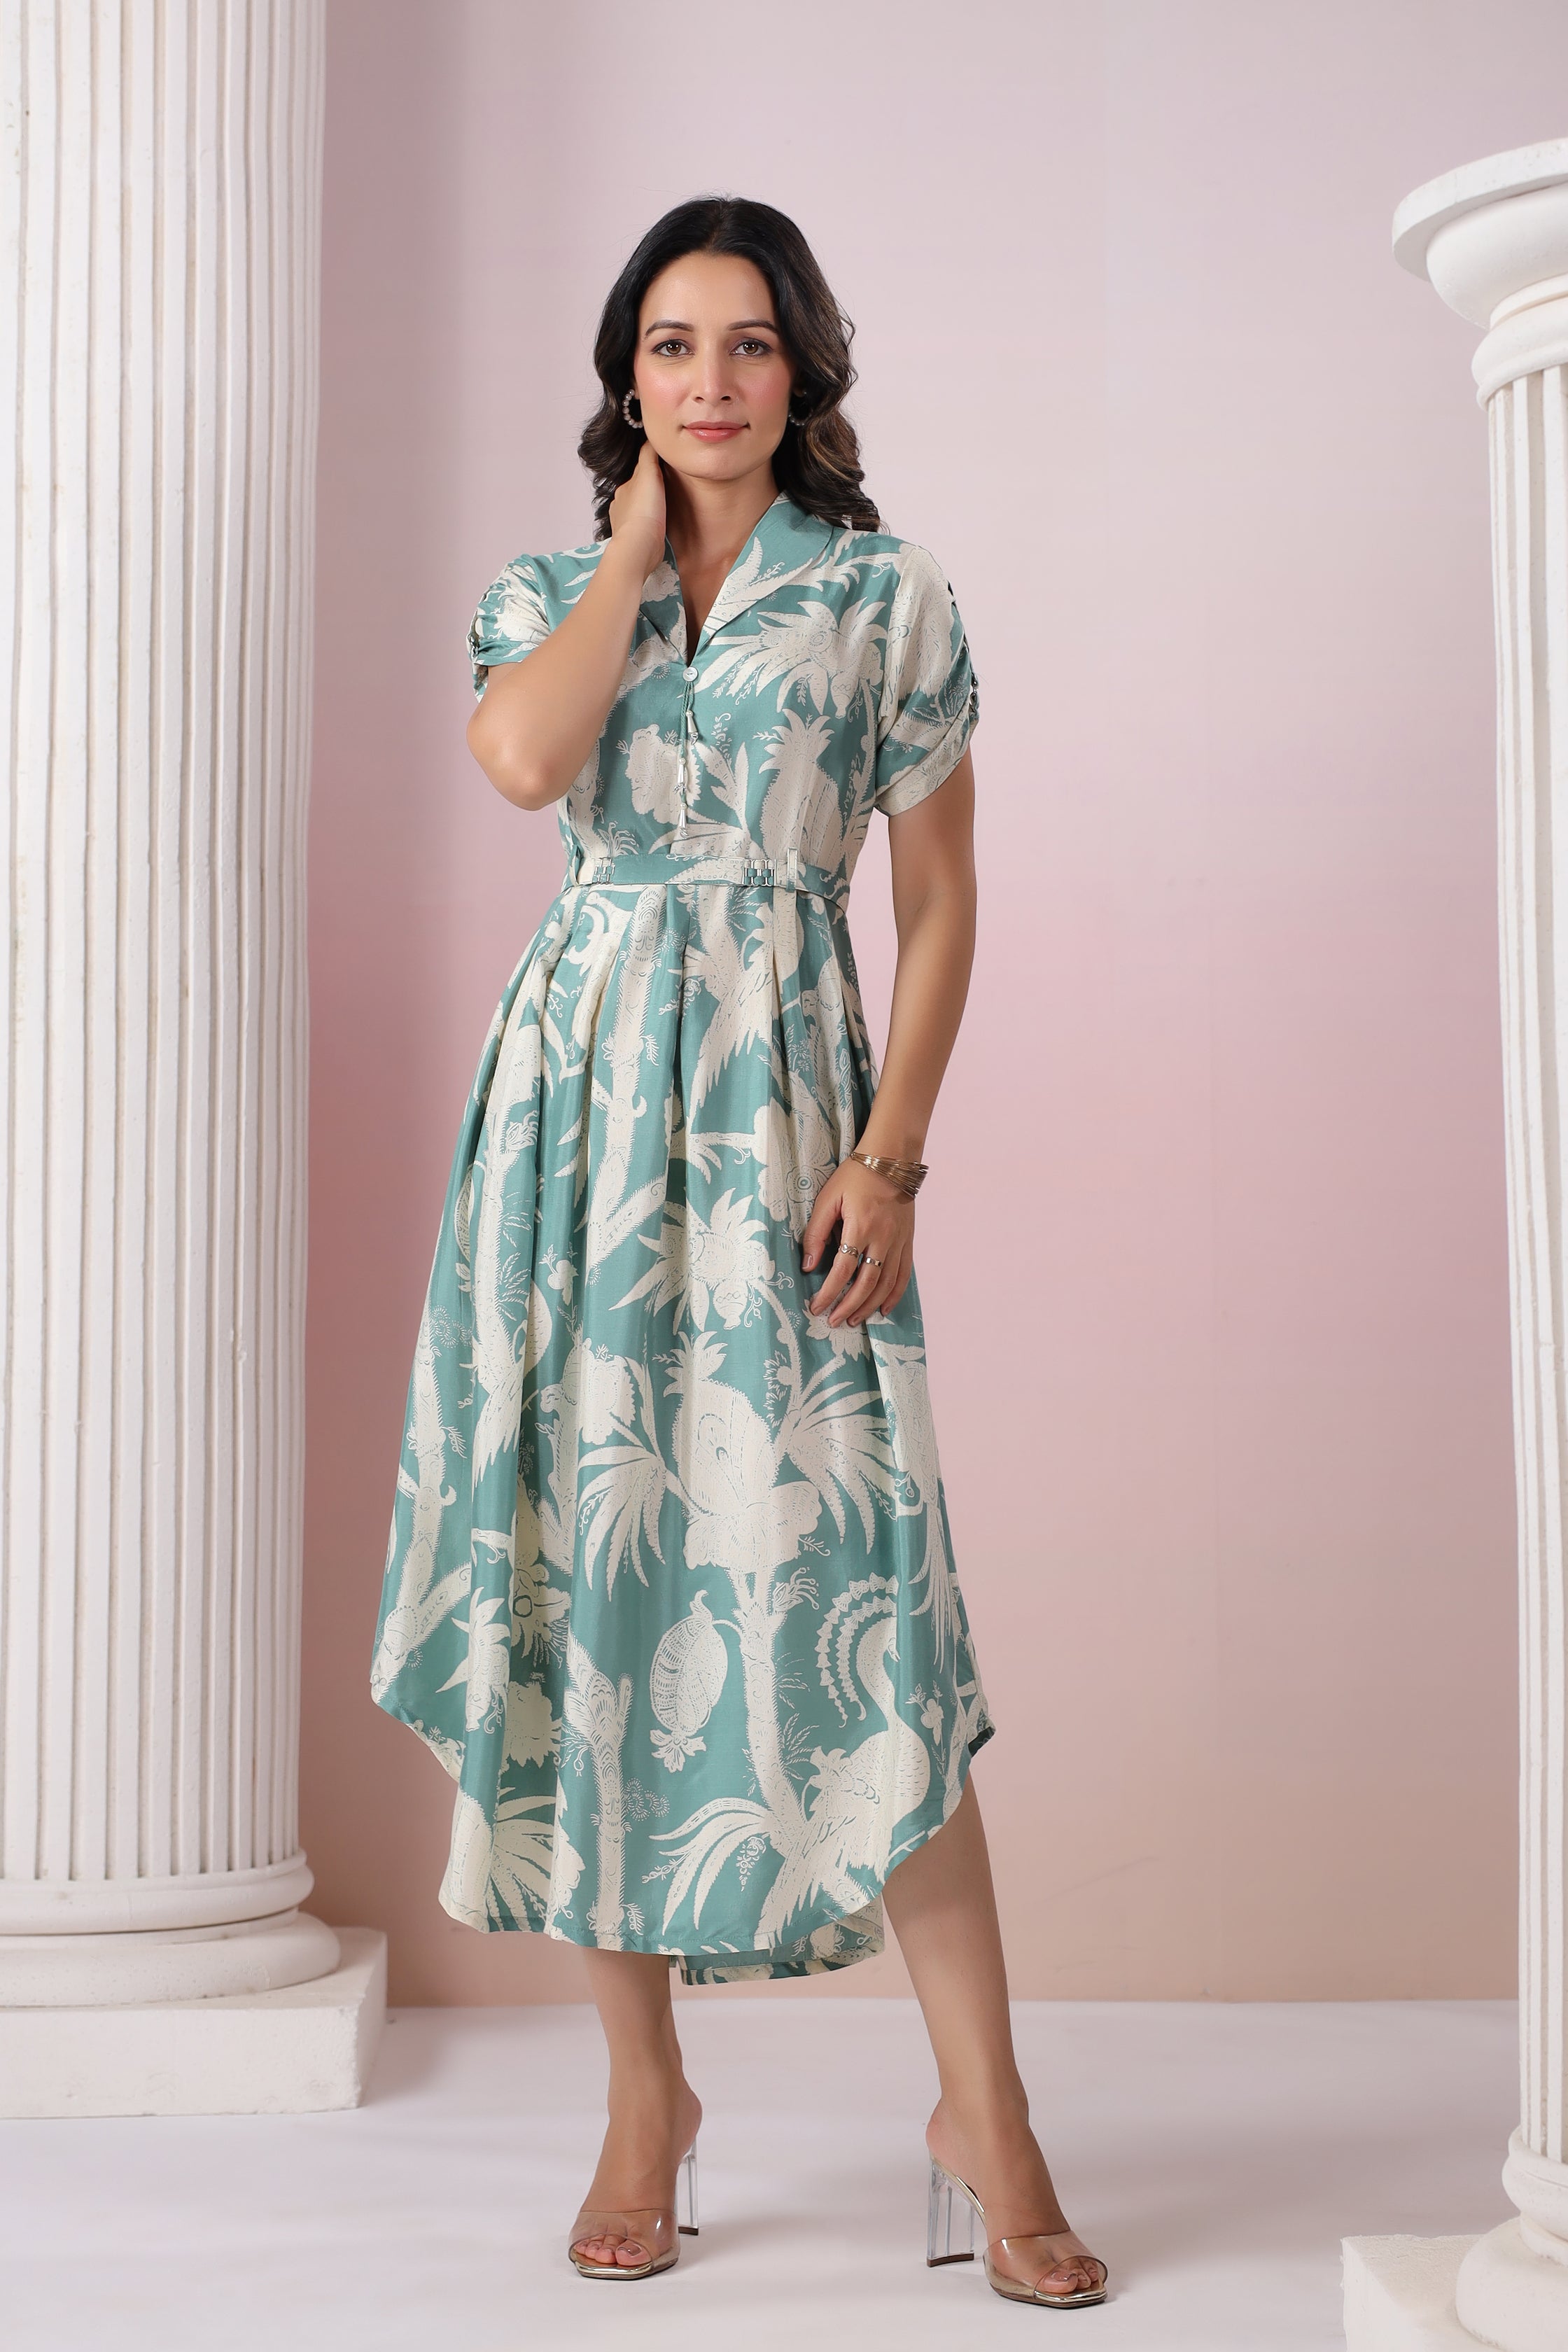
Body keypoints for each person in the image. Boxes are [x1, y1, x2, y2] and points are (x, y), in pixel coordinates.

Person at [370, 193, 1108, 2311]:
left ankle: (989, 2115)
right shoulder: (544, 595)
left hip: (790, 1125)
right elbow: (525, 765)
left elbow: (940, 899)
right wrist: (623, 563)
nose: (713, 381)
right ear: (628, 378)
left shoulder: (884, 594)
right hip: (576, 1140)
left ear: (805, 372)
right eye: (675, 346)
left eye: (752, 343)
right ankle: (644, 2100)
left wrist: (894, 1157)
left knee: (869, 1604)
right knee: (593, 1592)